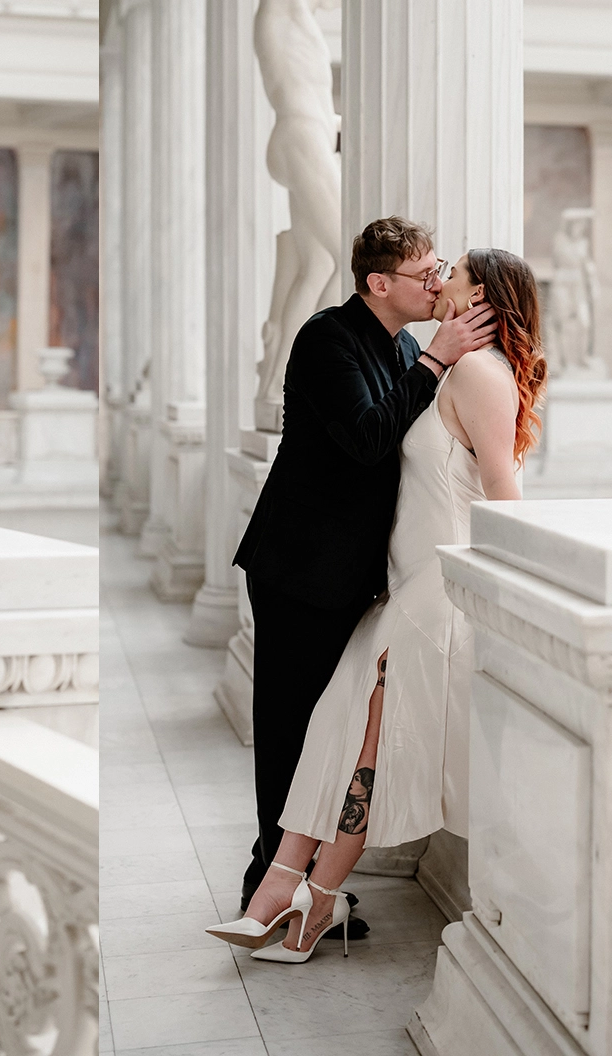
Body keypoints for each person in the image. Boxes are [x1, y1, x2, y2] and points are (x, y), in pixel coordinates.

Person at [208, 248, 546, 962]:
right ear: (376, 280)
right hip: (394, 582)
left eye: (447, 273)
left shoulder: (478, 374)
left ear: (478, 294)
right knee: (335, 734)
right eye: (429, 269)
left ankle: (300, 907)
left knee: (364, 747)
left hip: (435, 588)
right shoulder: (410, 355)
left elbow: (504, 500)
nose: (437, 280)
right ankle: (281, 896)